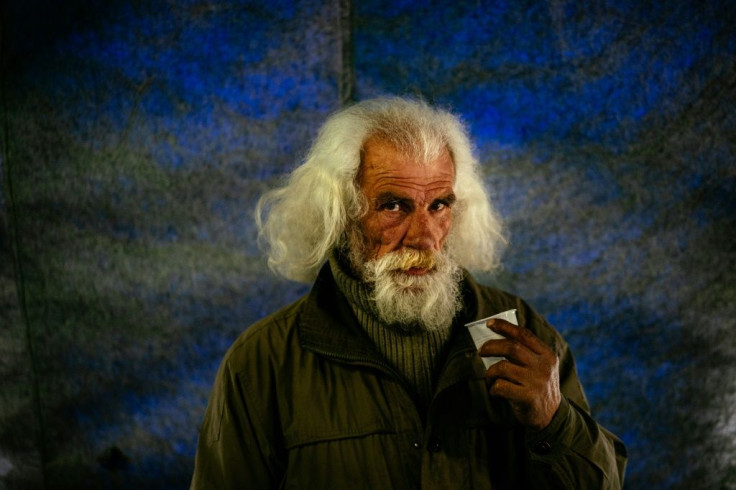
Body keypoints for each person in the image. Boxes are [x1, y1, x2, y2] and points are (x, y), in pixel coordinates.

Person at [191, 97, 627, 489]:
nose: (423, 236)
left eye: (439, 205)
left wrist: (554, 423)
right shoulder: (262, 363)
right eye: (393, 205)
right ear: (340, 213)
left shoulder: (519, 331)